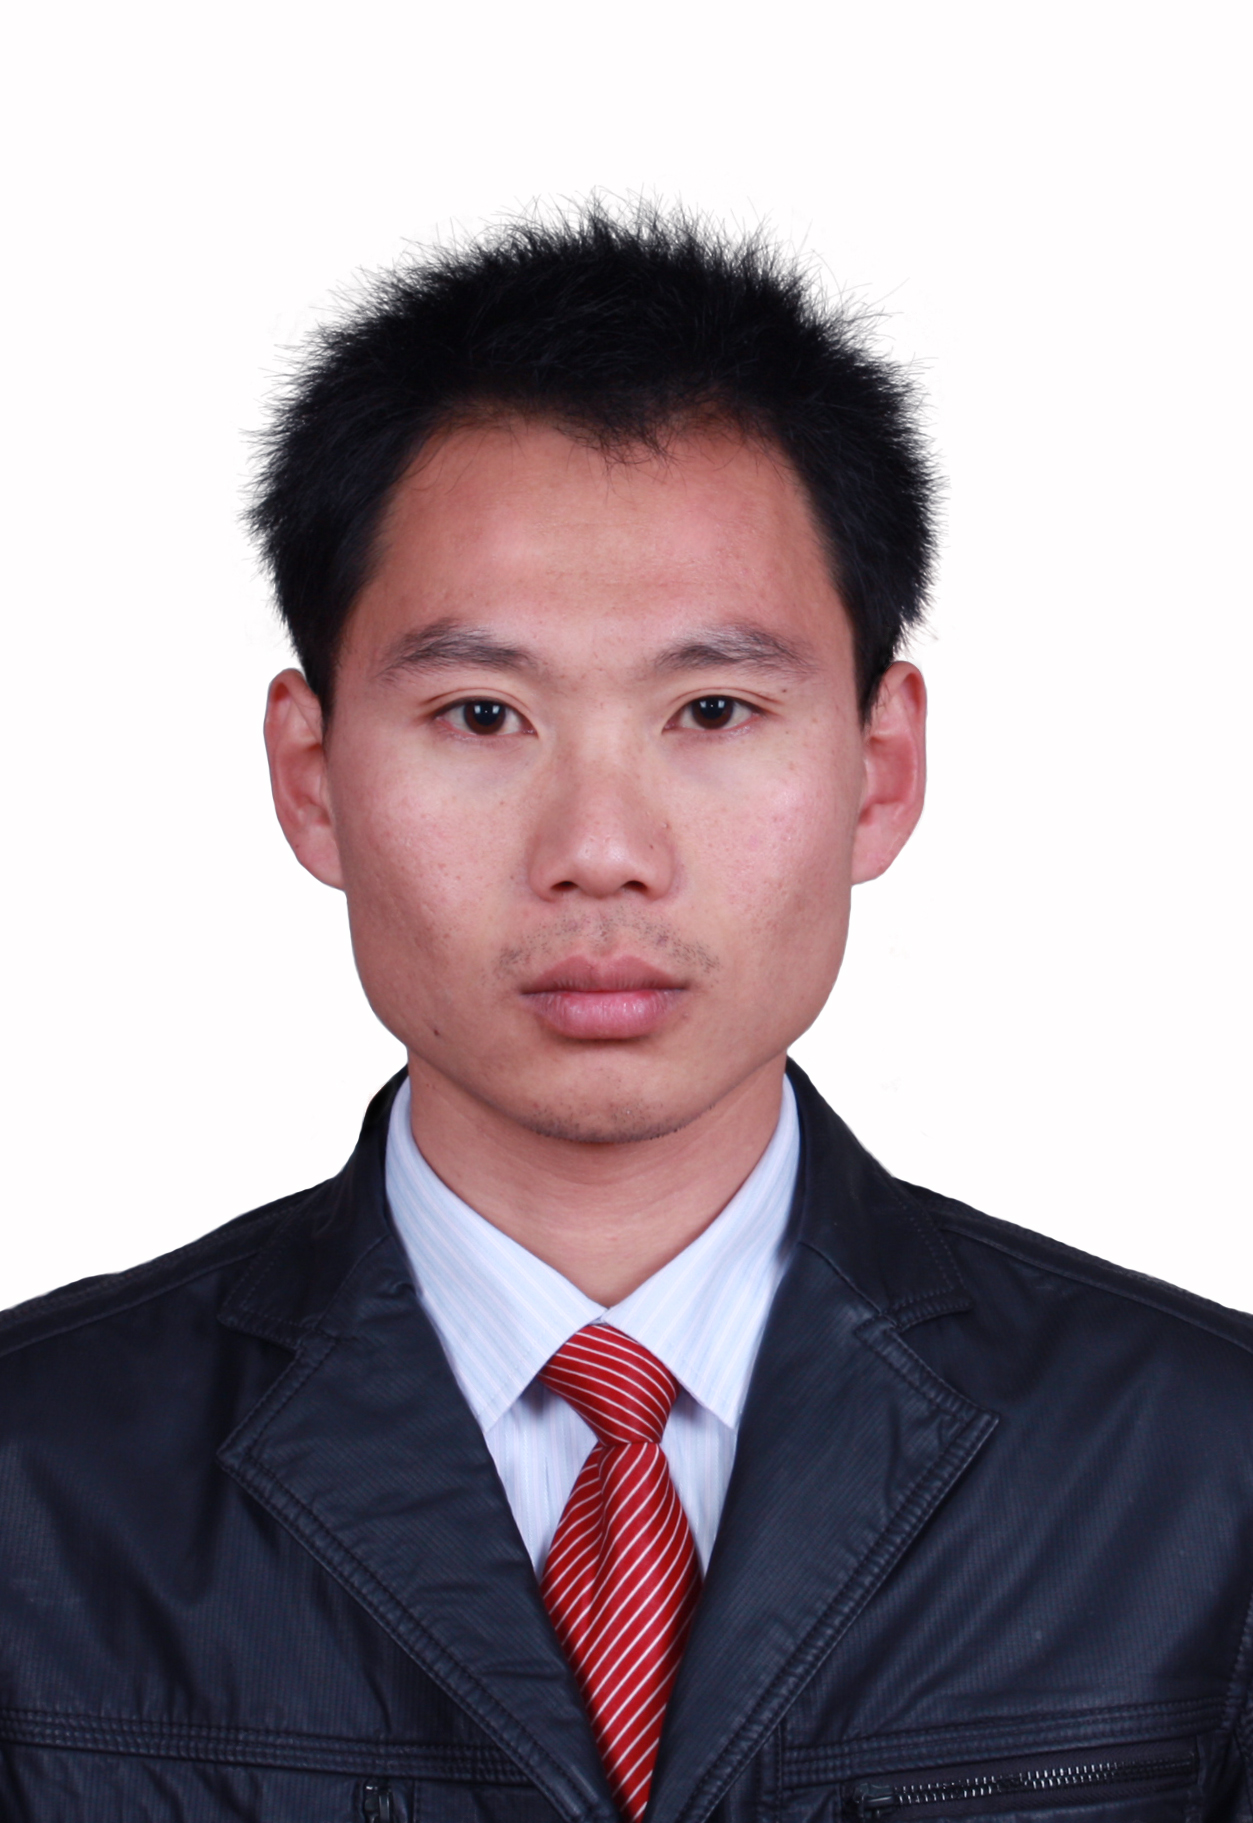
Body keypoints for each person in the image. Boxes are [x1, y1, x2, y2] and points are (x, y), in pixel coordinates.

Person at [1, 207, 1250, 1823]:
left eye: (711, 709)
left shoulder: (1202, 1474)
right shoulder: (37, 1481)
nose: (599, 850)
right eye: (481, 714)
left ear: (878, 770)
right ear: (311, 780)